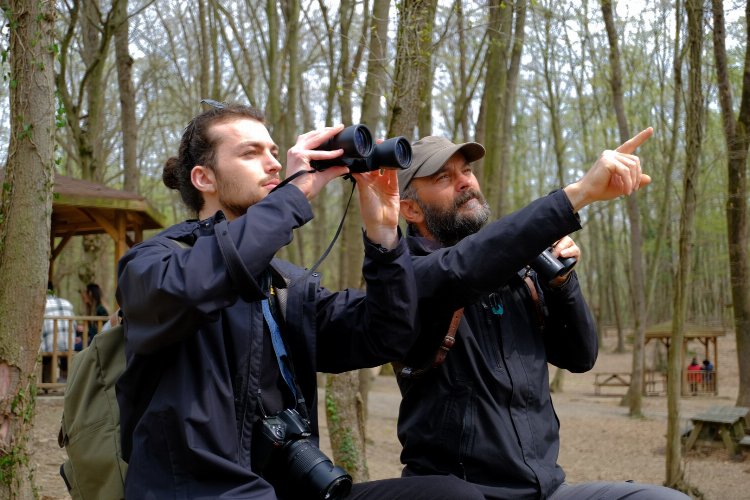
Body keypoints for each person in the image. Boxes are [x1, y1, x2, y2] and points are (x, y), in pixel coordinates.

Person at [115, 102, 484, 500]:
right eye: (250, 153)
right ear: (204, 178)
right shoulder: (153, 263)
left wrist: (383, 239)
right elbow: (197, 286)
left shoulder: (284, 286)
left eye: (274, 152)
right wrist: (294, 195)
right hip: (200, 492)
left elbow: (386, 335)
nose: (274, 164)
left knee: (449, 495)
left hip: (287, 489)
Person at [394, 132, 690, 499]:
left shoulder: (518, 271)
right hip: (460, 493)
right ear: (411, 209)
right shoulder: (404, 277)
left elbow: (580, 357)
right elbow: (461, 268)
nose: (465, 182)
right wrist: (578, 194)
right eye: (443, 177)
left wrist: (562, 282)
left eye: (467, 170)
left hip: (547, 490)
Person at [41, 282, 77, 382]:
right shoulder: (66, 303)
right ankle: (63, 381)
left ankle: (46, 383)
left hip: (49, 347)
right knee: (61, 343)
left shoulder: (40, 304)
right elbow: (74, 325)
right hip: (69, 346)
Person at [79, 283, 109, 348]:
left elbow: (101, 332)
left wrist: (85, 333)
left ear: (90, 294)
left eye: (85, 292)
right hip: (91, 341)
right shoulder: (91, 310)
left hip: (97, 343)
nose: (83, 295)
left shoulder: (101, 310)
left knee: (71, 347)